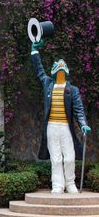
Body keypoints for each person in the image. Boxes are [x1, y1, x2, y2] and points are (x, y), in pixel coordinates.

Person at [31, 39, 91, 194]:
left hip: (65, 127)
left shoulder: (73, 90)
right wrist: (34, 51)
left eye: (63, 67)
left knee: (69, 157)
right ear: (54, 71)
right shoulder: (48, 84)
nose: (61, 68)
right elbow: (39, 70)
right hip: (51, 126)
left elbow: (78, 110)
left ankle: (70, 183)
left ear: (67, 71)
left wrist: (83, 123)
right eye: (58, 67)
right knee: (56, 159)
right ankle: (58, 184)